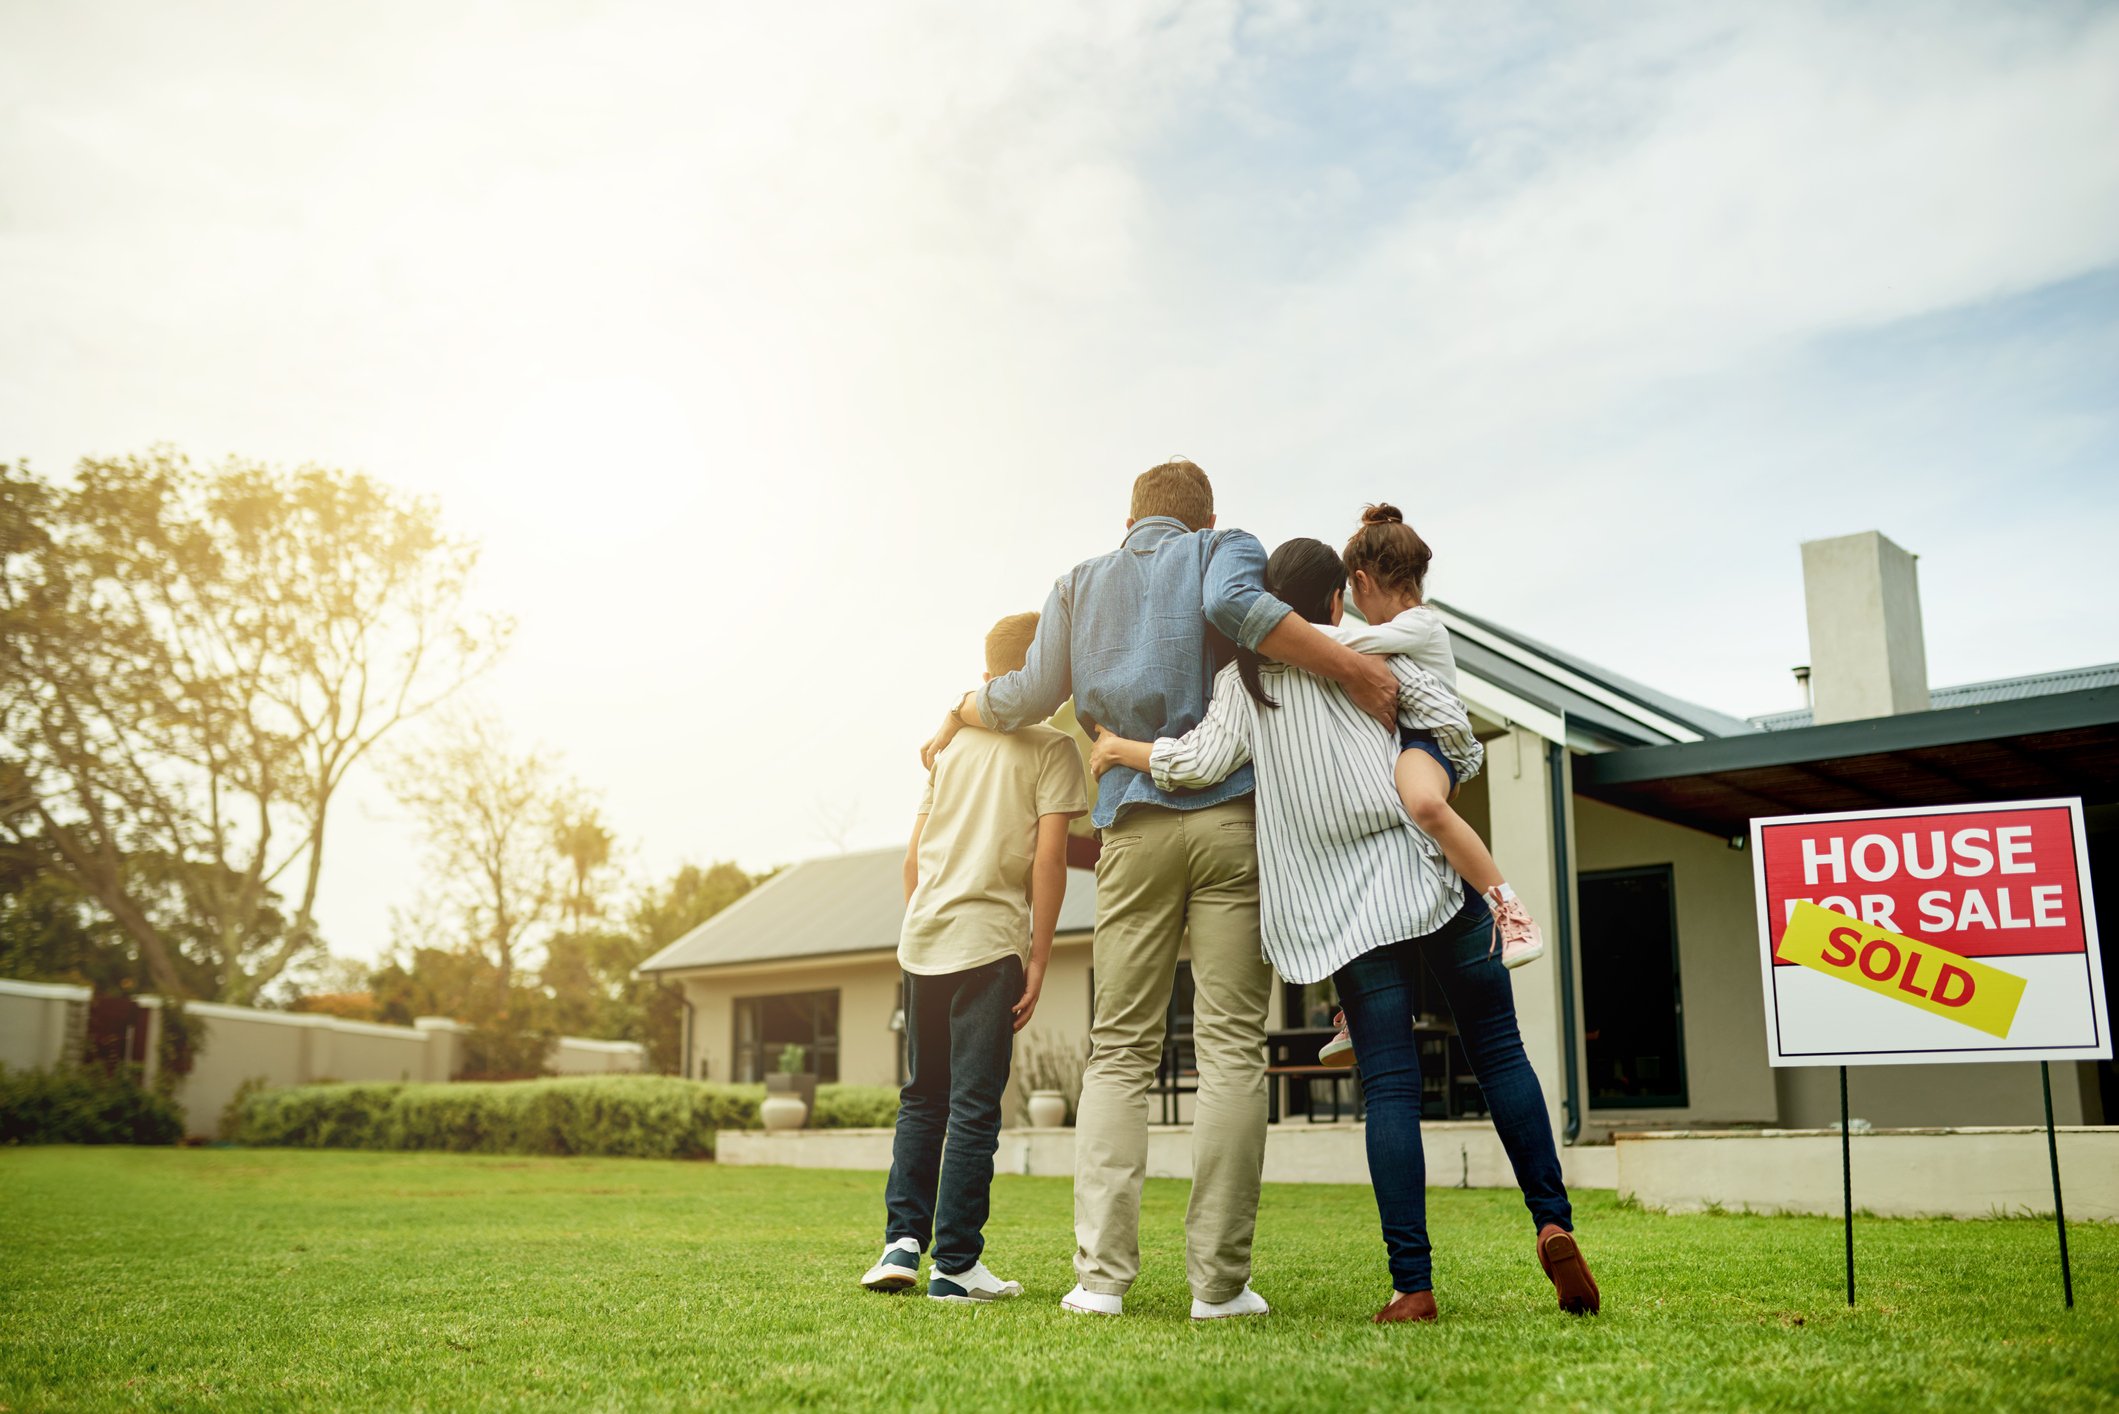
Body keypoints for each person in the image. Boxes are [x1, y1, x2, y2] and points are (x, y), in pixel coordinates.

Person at [920, 458, 1399, 1321]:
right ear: (1202, 517)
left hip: (1130, 829)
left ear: (1130, 519)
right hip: (1228, 827)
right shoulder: (1226, 547)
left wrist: (963, 704)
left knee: (1120, 1053)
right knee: (1227, 1051)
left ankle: (1099, 1281)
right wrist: (1350, 667)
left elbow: (1030, 694)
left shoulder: (1078, 581)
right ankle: (1217, 1287)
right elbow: (1234, 611)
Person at [1090, 537, 1598, 1325]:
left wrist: (1119, 748)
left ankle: (1412, 1286)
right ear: (1335, 600)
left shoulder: (1241, 682)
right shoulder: (1363, 655)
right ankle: (1552, 1220)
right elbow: (1450, 731)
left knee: (1389, 1088)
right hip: (1426, 875)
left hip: (1345, 916)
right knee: (1498, 1051)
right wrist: (1430, 763)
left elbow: (1194, 763)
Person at [861, 611, 1089, 1303]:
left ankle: (901, 1243)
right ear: (1044, 676)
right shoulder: (1052, 749)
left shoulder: (948, 746)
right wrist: (1040, 957)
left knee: (921, 1098)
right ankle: (955, 1264)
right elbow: (1049, 859)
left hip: (923, 939)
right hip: (988, 944)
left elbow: (911, 859)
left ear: (989, 676)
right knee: (972, 1107)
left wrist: (923, 924)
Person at [1312, 503, 1544, 1069]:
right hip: (1404, 749)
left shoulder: (1418, 625)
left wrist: (1275, 631)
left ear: (1362, 582)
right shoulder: (1398, 627)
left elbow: (1342, 650)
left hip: (1429, 746)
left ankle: (1509, 908)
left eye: (1353, 592)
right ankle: (1355, 1008)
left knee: (1420, 803)